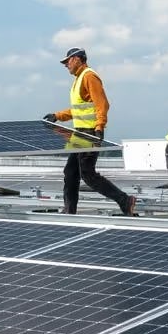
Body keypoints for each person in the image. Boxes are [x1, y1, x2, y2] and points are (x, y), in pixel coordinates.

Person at [43, 48, 136, 216]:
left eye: (68, 61)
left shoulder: (89, 76)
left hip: (90, 132)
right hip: (80, 133)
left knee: (88, 174)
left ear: (78, 59)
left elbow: (102, 104)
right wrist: (57, 116)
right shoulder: (79, 79)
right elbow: (78, 110)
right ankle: (69, 210)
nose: (66, 65)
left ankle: (124, 200)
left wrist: (99, 127)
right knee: (70, 172)